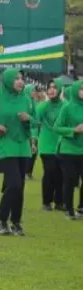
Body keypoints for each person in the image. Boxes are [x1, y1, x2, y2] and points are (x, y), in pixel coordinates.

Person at [0, 68, 34, 236]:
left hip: (23, 146)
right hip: (5, 145)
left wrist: (28, 120)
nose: (20, 81)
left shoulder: (26, 99)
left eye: (21, 78)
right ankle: (1, 218)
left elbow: (34, 121)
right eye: (16, 78)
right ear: (8, 80)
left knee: (20, 187)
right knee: (14, 184)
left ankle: (16, 222)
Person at [53, 80, 83, 220]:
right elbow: (57, 127)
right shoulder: (67, 107)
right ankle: (68, 208)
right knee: (70, 180)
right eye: (81, 88)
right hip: (69, 150)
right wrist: (74, 130)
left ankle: (81, 207)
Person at [35, 80, 64, 211]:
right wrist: (33, 140)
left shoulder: (66, 106)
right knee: (50, 171)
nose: (51, 90)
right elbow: (34, 123)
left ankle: (59, 202)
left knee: (61, 173)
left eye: (54, 87)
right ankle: (46, 202)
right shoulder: (42, 107)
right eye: (49, 87)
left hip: (62, 145)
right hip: (46, 145)